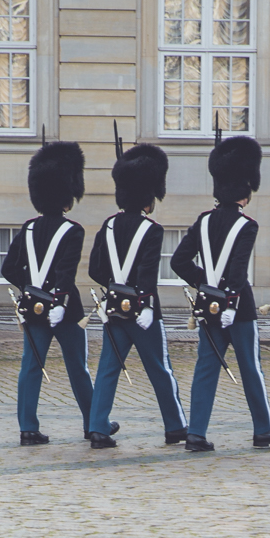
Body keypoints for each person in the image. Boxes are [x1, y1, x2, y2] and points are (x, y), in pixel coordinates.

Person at [170, 133, 270, 453]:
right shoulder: (247, 225)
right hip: (238, 308)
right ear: (244, 190)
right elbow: (237, 271)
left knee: (206, 368)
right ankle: (263, 430)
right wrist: (231, 299)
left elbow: (179, 262)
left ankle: (196, 433)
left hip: (208, 305)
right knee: (250, 367)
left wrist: (205, 283)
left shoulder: (203, 221)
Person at [86, 142, 188, 449]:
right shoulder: (152, 229)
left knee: (108, 369)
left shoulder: (108, 225)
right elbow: (147, 272)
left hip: (114, 310)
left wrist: (114, 290)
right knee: (160, 369)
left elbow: (94, 269)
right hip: (144, 312)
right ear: (148, 197)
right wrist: (143, 303)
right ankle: (175, 427)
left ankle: (98, 429)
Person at [0, 140, 103, 445]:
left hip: (33, 308)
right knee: (78, 370)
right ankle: (93, 424)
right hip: (66, 311)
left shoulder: (28, 228)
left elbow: (8, 269)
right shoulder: (73, 230)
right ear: (68, 197)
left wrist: (29, 288)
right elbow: (66, 273)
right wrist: (57, 298)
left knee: (31, 368)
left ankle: (27, 428)